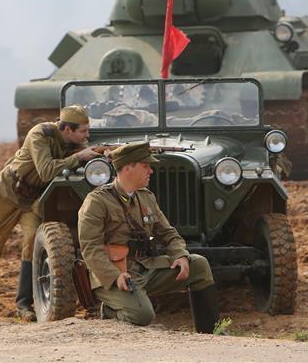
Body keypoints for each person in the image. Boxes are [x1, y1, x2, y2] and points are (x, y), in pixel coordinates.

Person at [77, 141, 220, 333]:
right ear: (128, 168)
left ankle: (209, 333)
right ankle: (111, 311)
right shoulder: (97, 201)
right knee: (142, 316)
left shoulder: (146, 197)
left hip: (145, 268)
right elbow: (90, 248)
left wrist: (180, 255)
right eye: (146, 166)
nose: (151, 171)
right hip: (115, 274)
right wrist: (114, 276)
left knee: (199, 265)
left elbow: (168, 233)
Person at [0, 105, 100, 320]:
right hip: (8, 192)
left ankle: (24, 305)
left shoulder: (73, 141)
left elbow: (83, 153)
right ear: (67, 129)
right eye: (83, 131)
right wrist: (79, 157)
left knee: (32, 244)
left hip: (32, 199)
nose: (87, 135)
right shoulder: (40, 134)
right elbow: (46, 170)